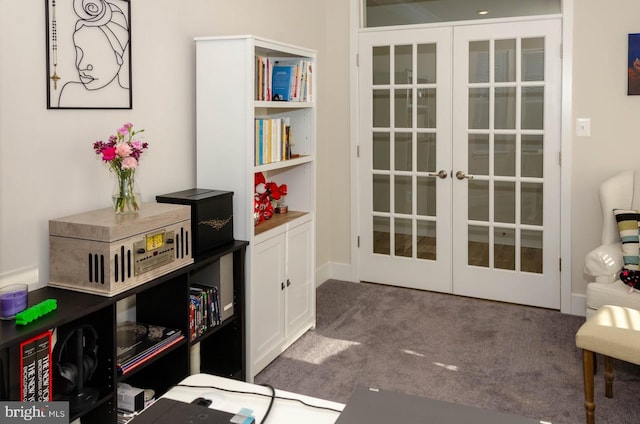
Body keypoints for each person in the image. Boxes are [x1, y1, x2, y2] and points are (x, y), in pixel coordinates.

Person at [58, 0, 130, 108]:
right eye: (78, 52)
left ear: (118, 57)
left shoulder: (134, 99)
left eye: (93, 52)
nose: (80, 65)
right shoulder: (69, 92)